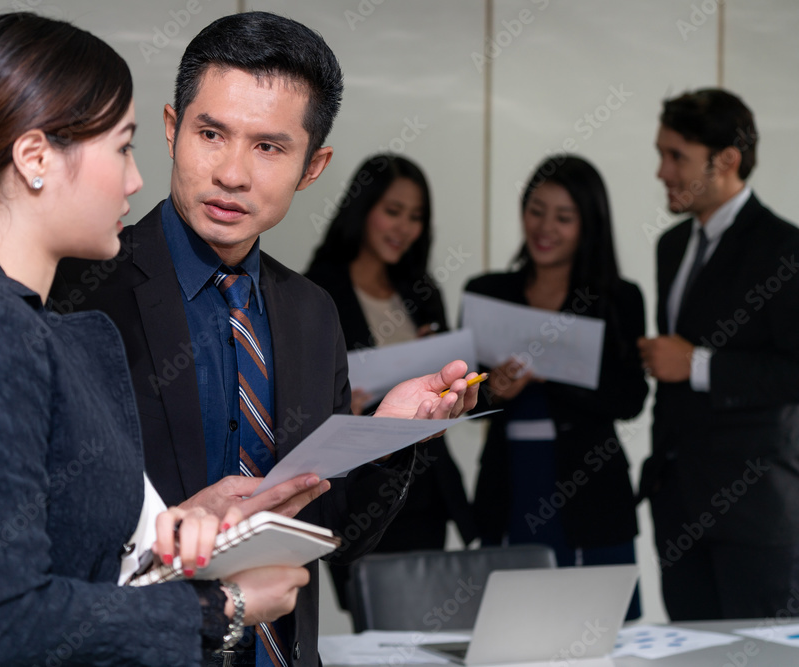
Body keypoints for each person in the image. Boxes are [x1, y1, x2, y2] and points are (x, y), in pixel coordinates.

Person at [0, 13, 314, 665]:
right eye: (121, 147)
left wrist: (173, 526)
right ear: (35, 158)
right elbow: (6, 621)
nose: (135, 179)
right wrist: (226, 604)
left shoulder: (43, 330)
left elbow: (72, 565)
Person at [51, 12, 479, 666]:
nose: (232, 173)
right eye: (211, 133)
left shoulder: (312, 312)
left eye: (269, 147)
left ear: (314, 166)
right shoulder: (82, 288)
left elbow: (332, 529)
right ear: (171, 129)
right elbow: (51, 539)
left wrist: (389, 434)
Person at [638, 89, 799, 621]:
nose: (661, 171)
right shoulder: (670, 247)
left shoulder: (784, 248)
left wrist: (698, 365)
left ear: (726, 159)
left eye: (675, 156)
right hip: (677, 509)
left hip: (754, 513)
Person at [464, 155, 648, 618]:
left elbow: (630, 398)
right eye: (536, 210)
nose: (545, 227)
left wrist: (557, 372)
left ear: (589, 225)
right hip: (510, 481)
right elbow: (461, 401)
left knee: (598, 629)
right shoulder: (488, 290)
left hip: (591, 487)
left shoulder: (618, 297)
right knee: (510, 626)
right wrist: (493, 390)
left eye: (564, 218)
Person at [305, 154, 475, 609]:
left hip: (426, 486)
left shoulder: (422, 290)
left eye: (416, 216)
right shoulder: (317, 293)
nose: (404, 227)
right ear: (363, 209)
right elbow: (302, 404)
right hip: (363, 487)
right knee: (375, 632)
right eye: (393, 211)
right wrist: (345, 411)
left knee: (427, 623)